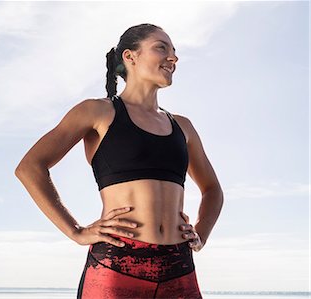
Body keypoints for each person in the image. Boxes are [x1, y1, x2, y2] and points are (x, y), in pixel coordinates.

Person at [15, 23, 224, 299]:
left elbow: (212, 190)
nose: (173, 58)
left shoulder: (183, 127)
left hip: (179, 268)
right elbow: (30, 167)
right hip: (117, 265)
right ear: (130, 56)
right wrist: (76, 231)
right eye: (161, 48)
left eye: (174, 52)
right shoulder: (97, 112)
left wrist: (201, 234)